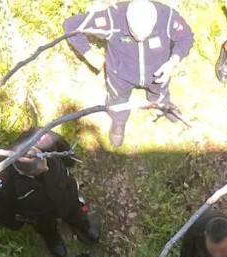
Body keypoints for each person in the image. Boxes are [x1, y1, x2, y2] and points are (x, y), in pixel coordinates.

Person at [63, 0, 194, 147]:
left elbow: (186, 37)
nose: (140, 37)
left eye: (146, 33)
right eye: (134, 32)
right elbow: (71, 25)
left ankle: (162, 105)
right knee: (117, 99)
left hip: (157, 72)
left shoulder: (167, 17)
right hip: (120, 74)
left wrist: (172, 62)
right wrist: (89, 55)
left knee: (160, 91)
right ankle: (118, 121)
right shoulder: (112, 18)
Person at [0, 129, 100, 257]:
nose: (46, 168)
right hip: (39, 211)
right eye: (40, 171)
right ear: (22, 172)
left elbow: (63, 148)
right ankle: (52, 238)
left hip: (65, 191)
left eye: (45, 163)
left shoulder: (43, 138)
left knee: (75, 208)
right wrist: (14, 224)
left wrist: (69, 160)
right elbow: (1, 208)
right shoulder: (0, 180)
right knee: (45, 225)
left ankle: (82, 224)